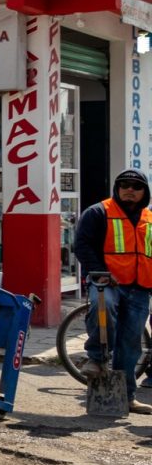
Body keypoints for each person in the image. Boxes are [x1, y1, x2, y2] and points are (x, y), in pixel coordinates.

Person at [71, 168, 152, 415]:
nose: (129, 190)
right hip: (106, 282)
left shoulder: (149, 219)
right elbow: (81, 246)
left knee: (130, 345)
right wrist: (100, 272)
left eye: (136, 186)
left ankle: (127, 397)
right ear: (117, 188)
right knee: (101, 308)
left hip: (140, 288)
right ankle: (95, 356)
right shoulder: (98, 212)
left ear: (144, 192)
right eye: (124, 185)